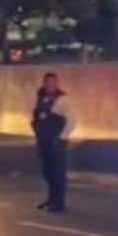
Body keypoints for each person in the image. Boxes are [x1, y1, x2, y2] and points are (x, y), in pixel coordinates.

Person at [31, 72, 75, 213]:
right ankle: (50, 199)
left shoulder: (62, 100)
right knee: (47, 171)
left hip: (56, 142)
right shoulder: (41, 98)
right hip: (43, 141)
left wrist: (62, 137)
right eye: (48, 83)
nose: (50, 86)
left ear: (57, 84)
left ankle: (58, 203)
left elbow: (72, 120)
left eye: (53, 83)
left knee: (57, 173)